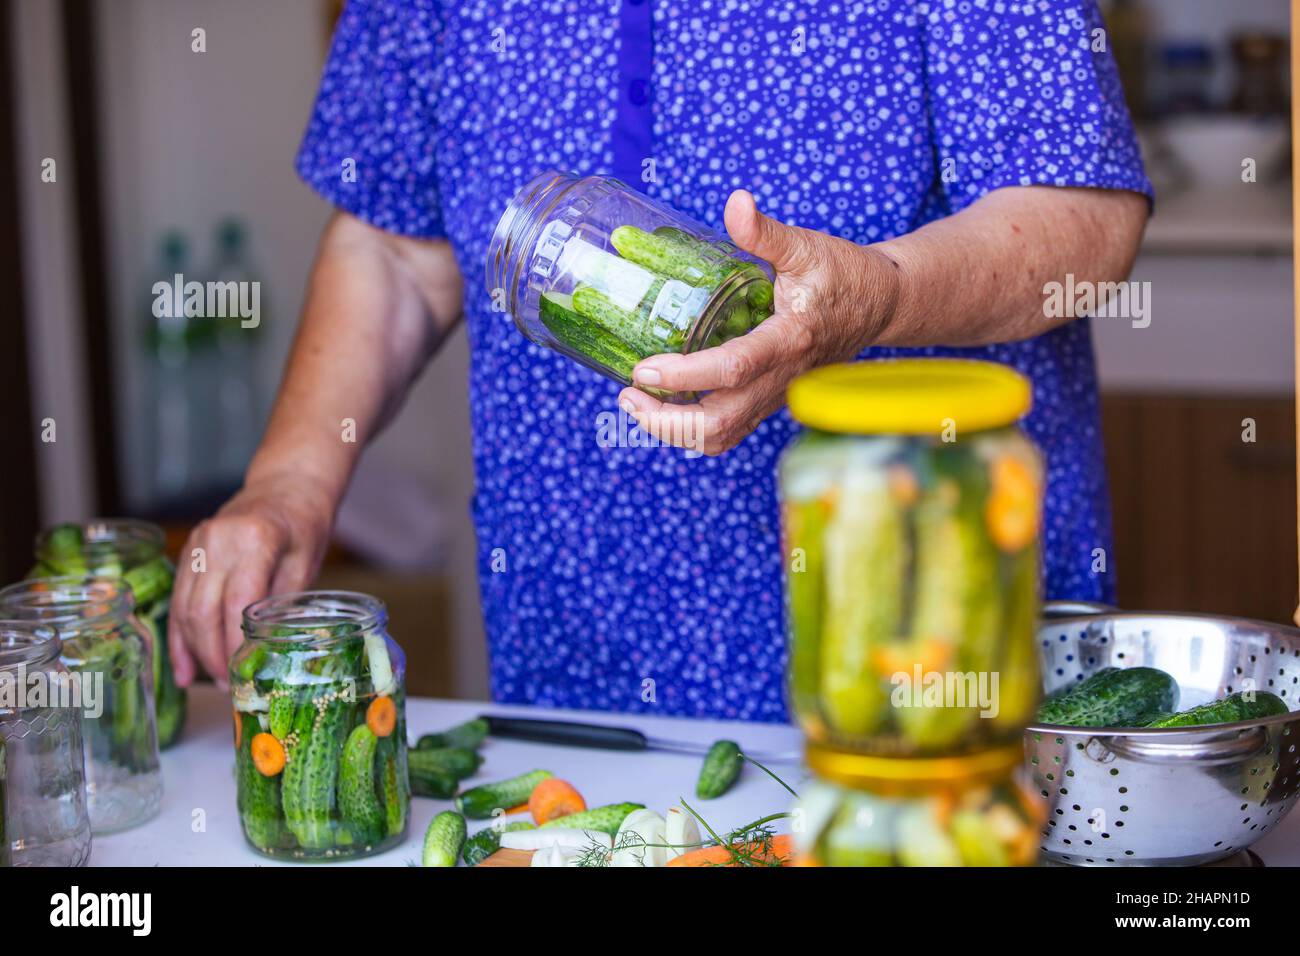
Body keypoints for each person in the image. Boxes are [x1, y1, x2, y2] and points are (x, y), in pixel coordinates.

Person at [169, 0, 1151, 721]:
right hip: (579, 668)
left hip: (927, 639)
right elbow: (394, 246)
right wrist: (291, 480)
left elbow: (1081, 218)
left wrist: (873, 298)